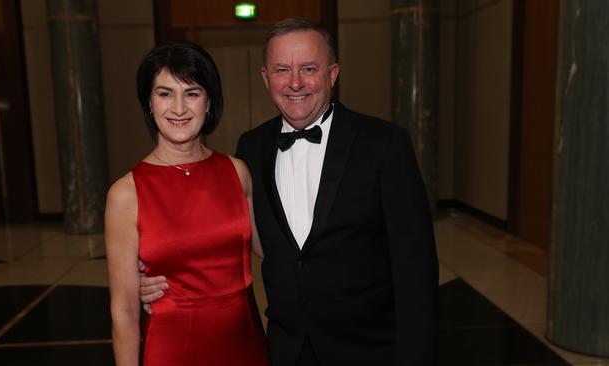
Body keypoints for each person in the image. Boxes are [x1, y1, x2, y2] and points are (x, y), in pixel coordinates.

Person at [141, 18, 438, 365]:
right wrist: (153, 274)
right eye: (283, 69)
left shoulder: (384, 145)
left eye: (309, 68)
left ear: (332, 74)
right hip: (286, 352)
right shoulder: (251, 148)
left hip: (370, 350)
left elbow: (416, 270)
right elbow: (217, 236)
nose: (295, 83)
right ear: (266, 78)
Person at [105, 42, 269, 366]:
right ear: (149, 104)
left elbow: (275, 250)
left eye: (192, 93)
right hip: (172, 352)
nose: (178, 108)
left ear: (209, 103)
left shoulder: (237, 172)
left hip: (245, 346)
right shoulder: (126, 193)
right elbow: (123, 310)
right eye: (165, 93)